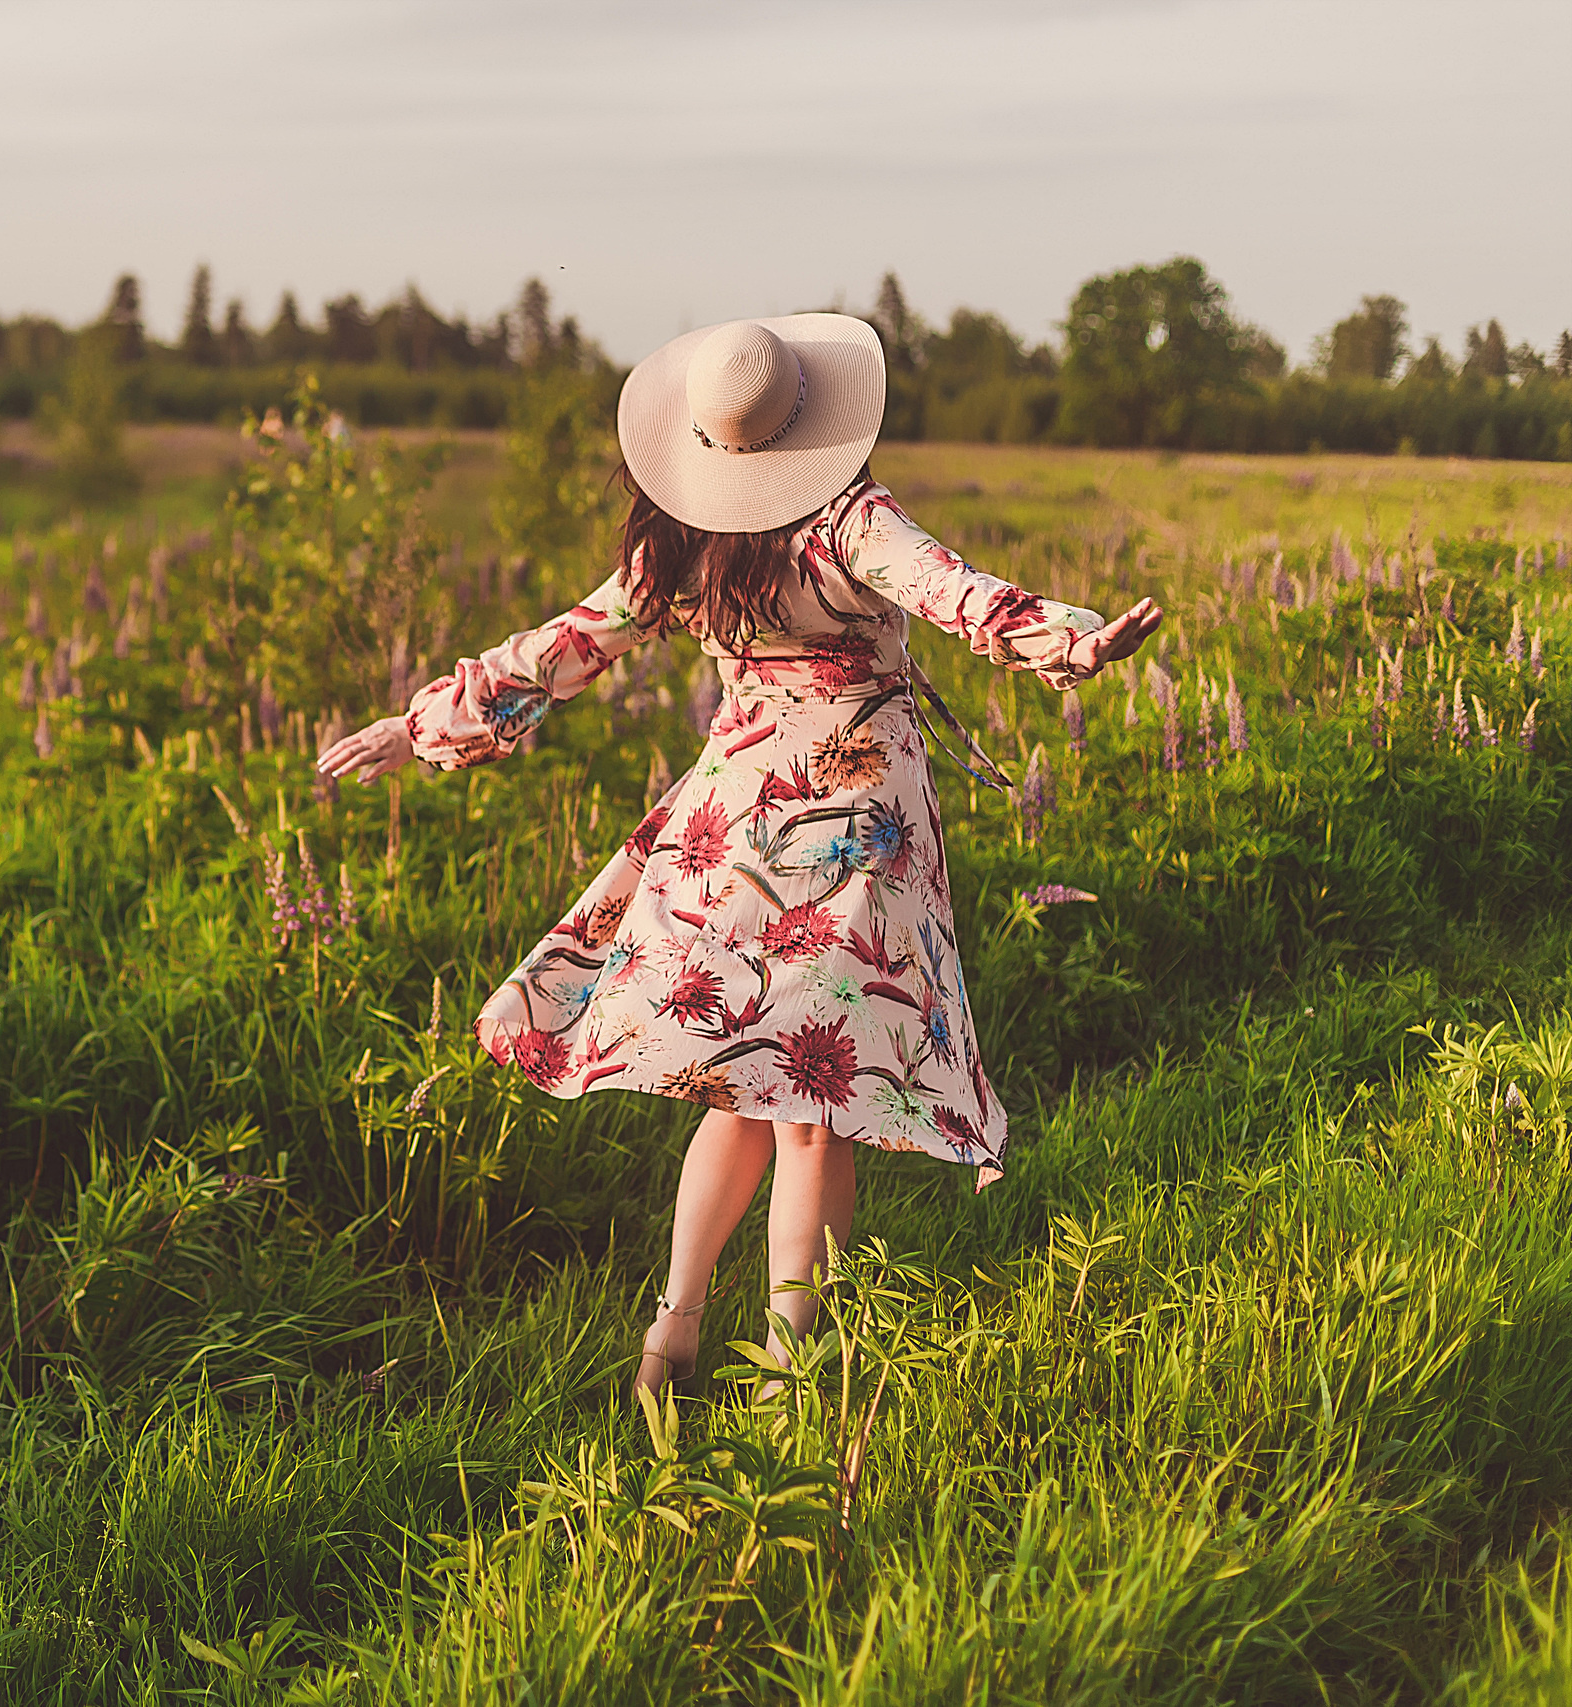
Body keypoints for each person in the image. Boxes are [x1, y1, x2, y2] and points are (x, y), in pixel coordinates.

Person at [316, 315, 1160, 1399]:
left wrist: (416, 724)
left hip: (732, 829)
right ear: (818, 423)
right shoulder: (850, 519)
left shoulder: (678, 542)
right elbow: (960, 594)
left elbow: (563, 647)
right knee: (811, 1107)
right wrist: (1066, 639)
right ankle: (788, 1371)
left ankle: (671, 1333)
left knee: (741, 1092)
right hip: (852, 829)